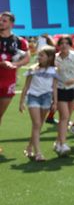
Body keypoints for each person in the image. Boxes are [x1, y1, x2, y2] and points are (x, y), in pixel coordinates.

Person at [18, 45, 57, 162]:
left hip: (46, 98)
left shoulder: (54, 71)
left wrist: (55, 102)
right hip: (33, 97)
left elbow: (54, 87)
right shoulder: (33, 69)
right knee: (36, 123)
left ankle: (29, 147)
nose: (38, 57)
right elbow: (26, 87)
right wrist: (21, 102)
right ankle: (38, 152)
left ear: (49, 57)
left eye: (42, 55)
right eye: (39, 55)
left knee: (38, 125)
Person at [0, 11, 30, 155]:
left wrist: (15, 64)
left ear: (12, 24)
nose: (1, 23)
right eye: (0, 20)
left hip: (8, 81)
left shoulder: (19, 41)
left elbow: (27, 58)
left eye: (4, 21)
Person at [54, 35, 74, 156]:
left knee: (67, 117)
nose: (64, 45)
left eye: (66, 43)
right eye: (61, 43)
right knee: (64, 116)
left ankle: (58, 142)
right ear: (58, 45)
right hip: (60, 89)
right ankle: (63, 144)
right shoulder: (55, 58)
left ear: (70, 44)